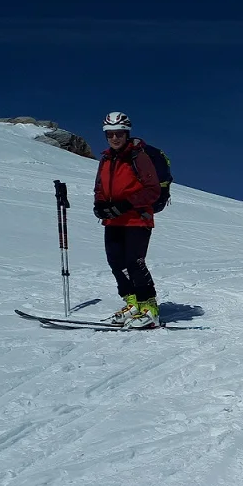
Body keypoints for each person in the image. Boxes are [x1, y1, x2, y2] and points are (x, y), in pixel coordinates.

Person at [93, 111, 166, 327]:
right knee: (116, 263)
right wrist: (100, 206)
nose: (114, 138)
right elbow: (100, 187)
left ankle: (149, 307)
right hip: (113, 221)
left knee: (134, 263)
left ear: (127, 133)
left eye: (119, 133)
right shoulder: (106, 159)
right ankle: (132, 303)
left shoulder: (138, 157)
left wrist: (125, 204)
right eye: (110, 134)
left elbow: (153, 190)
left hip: (137, 219)